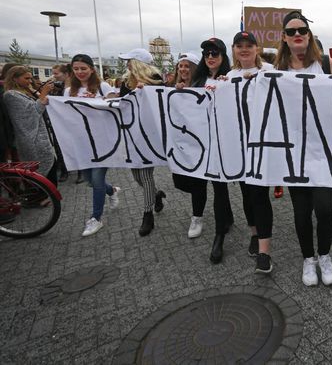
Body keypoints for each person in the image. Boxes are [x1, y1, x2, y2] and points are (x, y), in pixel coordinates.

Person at [276, 11, 332, 286]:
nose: (297, 34)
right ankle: (308, 258)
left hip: (324, 150)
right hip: (294, 152)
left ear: (309, 34)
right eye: (291, 32)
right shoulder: (276, 71)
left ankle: (324, 254)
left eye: (302, 30)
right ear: (284, 38)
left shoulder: (326, 64)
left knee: (325, 209)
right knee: (301, 211)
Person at [175, 38, 235, 263]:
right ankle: (211, 218)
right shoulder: (197, 80)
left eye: (215, 53)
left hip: (221, 143)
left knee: (220, 187)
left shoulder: (231, 78)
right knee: (198, 184)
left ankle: (219, 236)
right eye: (207, 53)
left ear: (222, 55)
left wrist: (229, 85)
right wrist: (181, 90)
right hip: (199, 144)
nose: (210, 57)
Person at [227, 30, 275, 274]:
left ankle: (265, 252)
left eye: (249, 45)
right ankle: (254, 233)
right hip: (239, 146)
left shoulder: (268, 71)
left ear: (257, 48)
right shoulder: (229, 76)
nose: (244, 49)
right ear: (234, 49)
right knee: (246, 194)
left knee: (259, 194)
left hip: (263, 144)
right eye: (239, 45)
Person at [65, 54, 120, 237]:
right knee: (89, 179)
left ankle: (96, 218)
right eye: (76, 69)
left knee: (96, 180)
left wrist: (109, 100)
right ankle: (112, 190)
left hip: (102, 141)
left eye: (83, 68)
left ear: (91, 69)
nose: (80, 72)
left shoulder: (102, 86)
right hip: (81, 142)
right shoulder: (68, 91)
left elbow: (115, 104)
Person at [117, 48, 167, 236]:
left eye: (129, 60)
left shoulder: (154, 77)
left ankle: (148, 215)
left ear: (138, 62)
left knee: (145, 176)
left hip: (148, 136)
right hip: (131, 134)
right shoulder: (126, 81)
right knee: (137, 177)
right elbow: (124, 104)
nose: (127, 64)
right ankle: (156, 194)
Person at [2, 66, 57, 187]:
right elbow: (33, 113)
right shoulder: (11, 95)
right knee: (39, 169)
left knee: (50, 165)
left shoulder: (24, 91)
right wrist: (43, 94)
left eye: (31, 78)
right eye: (26, 78)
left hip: (39, 136)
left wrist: (39, 93)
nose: (30, 81)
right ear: (14, 79)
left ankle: (44, 194)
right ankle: (40, 195)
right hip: (31, 138)